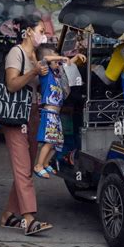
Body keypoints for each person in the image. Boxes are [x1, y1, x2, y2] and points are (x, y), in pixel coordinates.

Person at [0, 15, 53, 236]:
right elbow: (11, 85)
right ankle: (30, 219)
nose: (44, 34)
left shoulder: (36, 55)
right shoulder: (17, 53)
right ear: (29, 31)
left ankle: (8, 215)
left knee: (26, 165)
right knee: (23, 167)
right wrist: (32, 72)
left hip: (32, 113)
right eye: (41, 30)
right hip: (15, 116)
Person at [33, 44, 86, 179]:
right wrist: (61, 57)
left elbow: (66, 65)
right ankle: (38, 165)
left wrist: (74, 58)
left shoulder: (57, 74)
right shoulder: (45, 72)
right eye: (56, 61)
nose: (58, 63)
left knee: (58, 142)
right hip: (49, 112)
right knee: (49, 140)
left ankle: (45, 163)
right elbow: (45, 58)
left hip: (56, 113)